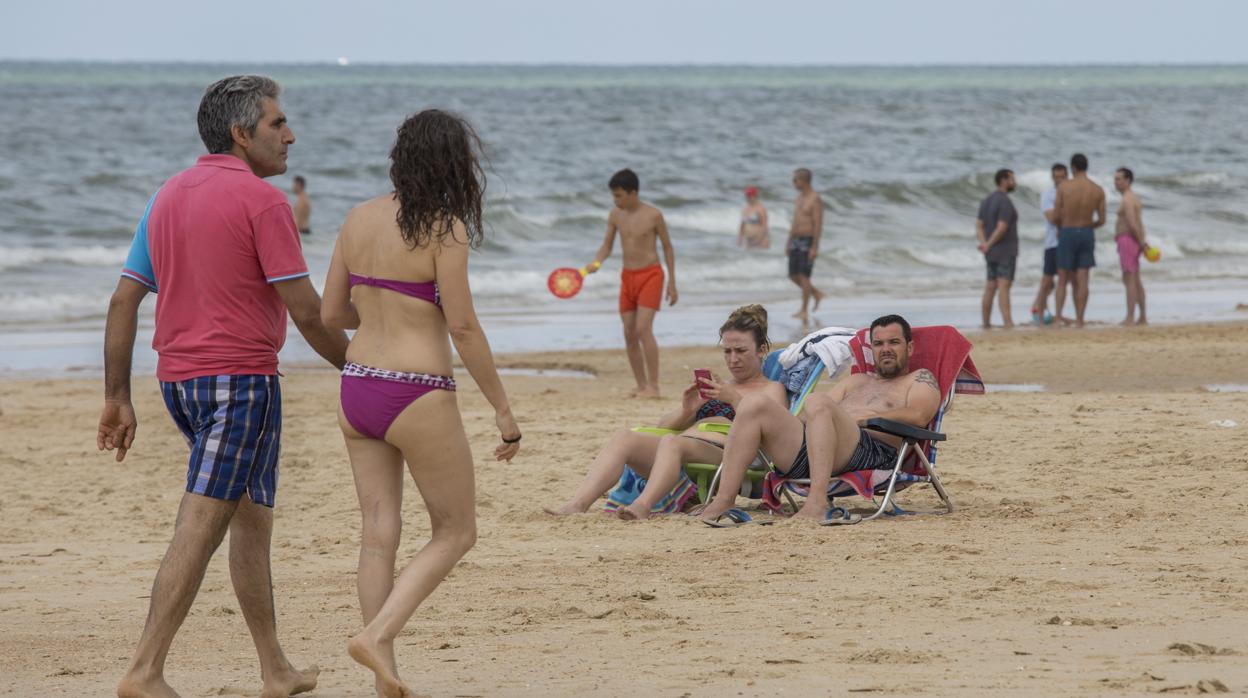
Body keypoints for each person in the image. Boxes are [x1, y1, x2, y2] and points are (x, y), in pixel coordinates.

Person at [98, 75, 348, 698]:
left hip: (179, 384)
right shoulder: (265, 203)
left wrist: (118, 397)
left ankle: (275, 669)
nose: (290, 135)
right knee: (202, 520)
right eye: (276, 123)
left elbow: (124, 301)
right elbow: (309, 313)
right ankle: (145, 670)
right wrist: (365, 369)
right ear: (241, 134)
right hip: (241, 385)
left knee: (251, 519)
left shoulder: (168, 193)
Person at [320, 109, 519, 698]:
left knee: (378, 533)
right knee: (456, 532)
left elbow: (332, 313)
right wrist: (503, 412)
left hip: (357, 384)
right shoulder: (445, 227)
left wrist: (382, 312)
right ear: (453, 163)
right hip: (418, 390)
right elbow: (463, 328)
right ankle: (377, 636)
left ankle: (386, 681)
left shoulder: (357, 218)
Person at [543, 305, 785, 520]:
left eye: (740, 351)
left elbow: (774, 435)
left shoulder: (771, 388)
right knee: (624, 437)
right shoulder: (720, 386)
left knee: (672, 442)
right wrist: (687, 409)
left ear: (761, 349)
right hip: (686, 447)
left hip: (732, 459)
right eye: (727, 351)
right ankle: (578, 504)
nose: (733, 359)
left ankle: (642, 506)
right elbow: (664, 425)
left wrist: (732, 398)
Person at [699, 314, 941, 524]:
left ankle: (817, 503)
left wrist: (866, 419)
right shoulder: (855, 381)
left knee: (818, 401)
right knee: (754, 404)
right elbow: (806, 416)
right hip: (818, 451)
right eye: (878, 343)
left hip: (872, 452)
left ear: (909, 348)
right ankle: (724, 500)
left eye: (894, 342)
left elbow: (919, 416)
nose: (885, 348)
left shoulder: (919, 378)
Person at [584, 168, 678, 398]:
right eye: (613, 196)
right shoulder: (616, 215)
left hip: (651, 275)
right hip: (628, 277)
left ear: (632, 192)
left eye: (619, 195)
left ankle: (654, 386)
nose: (615, 200)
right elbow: (607, 245)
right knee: (629, 332)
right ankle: (641, 384)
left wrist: (672, 282)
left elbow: (667, 247)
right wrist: (596, 262)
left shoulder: (653, 215)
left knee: (643, 328)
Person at [1053, 153, 1107, 328]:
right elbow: (1102, 220)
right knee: (1083, 278)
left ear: (1073, 168)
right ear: (1086, 167)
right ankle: (1080, 319)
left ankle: (1058, 317)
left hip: (1067, 231)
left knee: (1062, 278)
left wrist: (1062, 227)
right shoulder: (1097, 189)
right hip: (1086, 231)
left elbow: (1055, 216)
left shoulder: (1064, 187)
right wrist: (1088, 226)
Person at [975, 169, 1019, 329]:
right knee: (1003, 286)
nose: (1015, 182)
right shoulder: (1005, 201)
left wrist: (984, 243)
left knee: (990, 286)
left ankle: (986, 323)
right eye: (1012, 179)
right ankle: (1008, 322)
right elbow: (1002, 227)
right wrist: (989, 243)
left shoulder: (986, 200)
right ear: (1003, 180)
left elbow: (979, 225)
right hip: (1004, 251)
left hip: (991, 253)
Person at [785, 168, 825, 324]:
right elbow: (795, 222)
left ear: (804, 180)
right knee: (793, 275)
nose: (793, 183)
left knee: (804, 276)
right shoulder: (798, 198)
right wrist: (788, 241)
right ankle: (816, 293)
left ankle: (803, 310)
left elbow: (818, 224)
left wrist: (814, 246)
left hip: (808, 240)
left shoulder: (815, 199)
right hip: (796, 239)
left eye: (795, 180)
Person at [1031, 163, 1069, 325]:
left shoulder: (1070, 193)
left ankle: (1054, 313)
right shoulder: (1048, 195)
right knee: (1047, 280)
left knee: (1064, 280)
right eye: (1056, 176)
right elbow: (1051, 217)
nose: (1059, 179)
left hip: (1067, 241)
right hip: (1052, 243)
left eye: (1062, 176)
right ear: (1052, 177)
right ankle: (1038, 312)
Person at [1114, 167, 1149, 325]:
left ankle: (1130, 316)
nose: (1116, 182)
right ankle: (1142, 316)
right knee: (1135, 279)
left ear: (1128, 180)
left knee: (1129, 279)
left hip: (1128, 239)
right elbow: (1138, 223)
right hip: (1133, 240)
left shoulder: (1128, 199)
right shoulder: (1133, 198)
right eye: (1115, 179)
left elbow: (1132, 223)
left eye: (1119, 179)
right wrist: (1142, 241)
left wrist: (1141, 242)